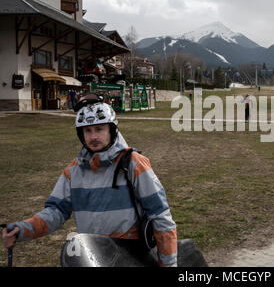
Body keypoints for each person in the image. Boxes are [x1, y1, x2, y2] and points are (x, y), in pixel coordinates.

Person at [1, 94, 177, 267]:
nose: (93, 137)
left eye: (99, 129)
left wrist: (168, 264)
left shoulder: (133, 163)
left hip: (130, 257)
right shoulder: (73, 171)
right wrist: (23, 229)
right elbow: (56, 211)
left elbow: (160, 216)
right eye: (87, 130)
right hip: (92, 257)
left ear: (112, 130)